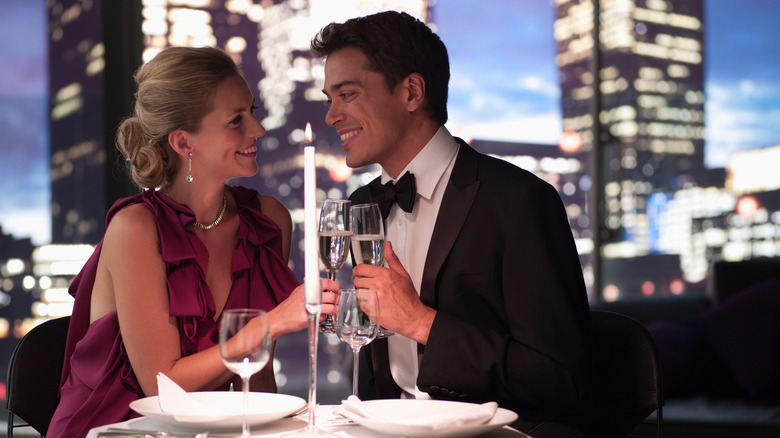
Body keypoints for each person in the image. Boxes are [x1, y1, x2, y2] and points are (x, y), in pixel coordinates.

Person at [311, 11, 593, 437]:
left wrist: (420, 322)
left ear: (411, 92)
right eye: (329, 98)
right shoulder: (361, 205)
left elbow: (564, 382)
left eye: (346, 94)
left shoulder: (520, 202)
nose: (332, 116)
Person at [48, 46, 338, 438]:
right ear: (184, 143)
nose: (257, 130)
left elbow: (256, 372)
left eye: (252, 111)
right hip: (120, 427)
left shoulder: (268, 221)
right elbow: (162, 386)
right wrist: (274, 322)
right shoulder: (135, 228)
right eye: (237, 120)